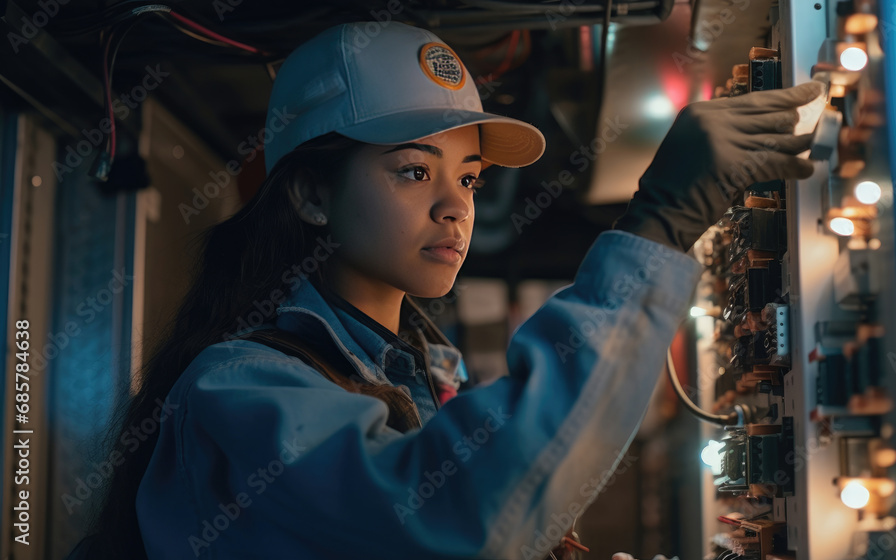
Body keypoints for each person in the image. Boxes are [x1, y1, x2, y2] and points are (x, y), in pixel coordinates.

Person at [70, 20, 822, 560]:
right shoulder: (234, 391)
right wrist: (656, 229)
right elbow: (454, 520)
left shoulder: (423, 377)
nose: (455, 205)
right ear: (310, 195)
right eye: (412, 170)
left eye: (467, 177)